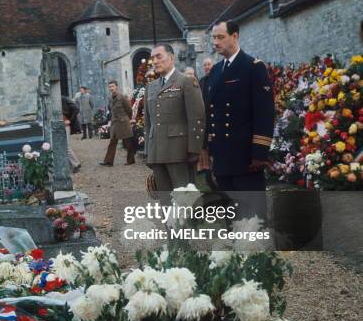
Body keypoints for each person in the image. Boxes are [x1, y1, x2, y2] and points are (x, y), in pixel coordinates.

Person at [201, 20, 274, 193]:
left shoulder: (253, 67)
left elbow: (264, 113)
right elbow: (211, 113)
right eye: (214, 38)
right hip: (222, 156)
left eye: (220, 37)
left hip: (245, 156)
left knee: (251, 215)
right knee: (229, 214)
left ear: (234, 36)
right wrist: (208, 148)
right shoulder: (216, 70)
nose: (216, 42)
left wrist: (259, 154)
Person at [144, 44, 205, 198]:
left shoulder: (186, 81)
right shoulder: (151, 87)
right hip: (157, 152)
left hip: (179, 152)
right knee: (165, 202)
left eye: (159, 56)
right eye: (152, 58)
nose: (155, 61)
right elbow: (148, 123)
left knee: (184, 200)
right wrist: (148, 151)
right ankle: (169, 224)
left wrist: (194, 149)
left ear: (171, 58)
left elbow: (196, 118)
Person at [99, 81, 135, 166]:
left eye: (113, 86)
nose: (111, 88)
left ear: (116, 87)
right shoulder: (111, 98)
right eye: (110, 87)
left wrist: (127, 119)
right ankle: (108, 161)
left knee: (128, 142)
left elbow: (129, 110)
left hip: (124, 123)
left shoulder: (122, 97)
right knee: (112, 142)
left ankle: (131, 160)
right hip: (115, 123)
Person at [61, 96, 81, 173]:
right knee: (63, 146)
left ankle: (76, 164)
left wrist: (70, 120)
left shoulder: (63, 99)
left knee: (66, 146)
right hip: (59, 125)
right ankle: (72, 164)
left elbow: (76, 108)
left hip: (65, 125)